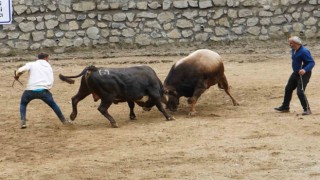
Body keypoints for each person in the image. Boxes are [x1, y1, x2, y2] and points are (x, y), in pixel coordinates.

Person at [14, 52, 70, 129]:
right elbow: (51, 79)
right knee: (53, 105)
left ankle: (23, 121)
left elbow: (20, 70)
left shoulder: (32, 64)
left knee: (23, 104)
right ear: (46, 58)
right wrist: (48, 87)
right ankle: (63, 121)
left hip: (30, 90)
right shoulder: (49, 67)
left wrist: (17, 75)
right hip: (44, 91)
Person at [274, 36, 315, 115]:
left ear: (296, 43)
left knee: (300, 91)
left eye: (291, 43)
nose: (289, 44)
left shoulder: (304, 51)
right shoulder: (294, 49)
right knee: (288, 88)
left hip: (304, 74)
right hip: (296, 73)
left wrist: (304, 69)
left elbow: (311, 62)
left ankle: (307, 109)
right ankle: (285, 107)